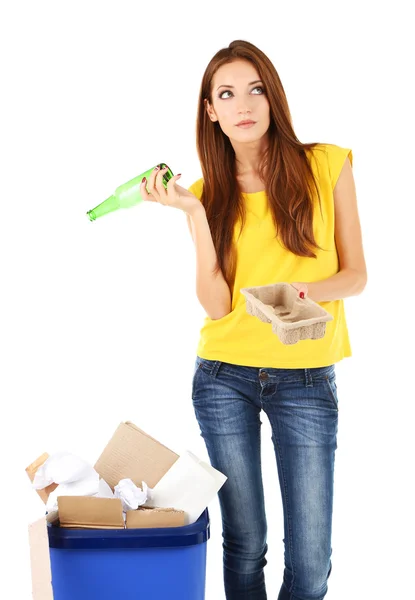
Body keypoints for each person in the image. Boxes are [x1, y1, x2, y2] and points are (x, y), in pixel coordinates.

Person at [140, 39, 367, 600]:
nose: (244, 104)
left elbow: (357, 275)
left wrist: (303, 291)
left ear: (273, 97)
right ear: (210, 110)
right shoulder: (204, 194)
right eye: (227, 94)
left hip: (307, 377)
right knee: (244, 542)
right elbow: (217, 306)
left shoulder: (326, 165)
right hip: (223, 378)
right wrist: (194, 214)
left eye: (255, 89)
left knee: (311, 561)